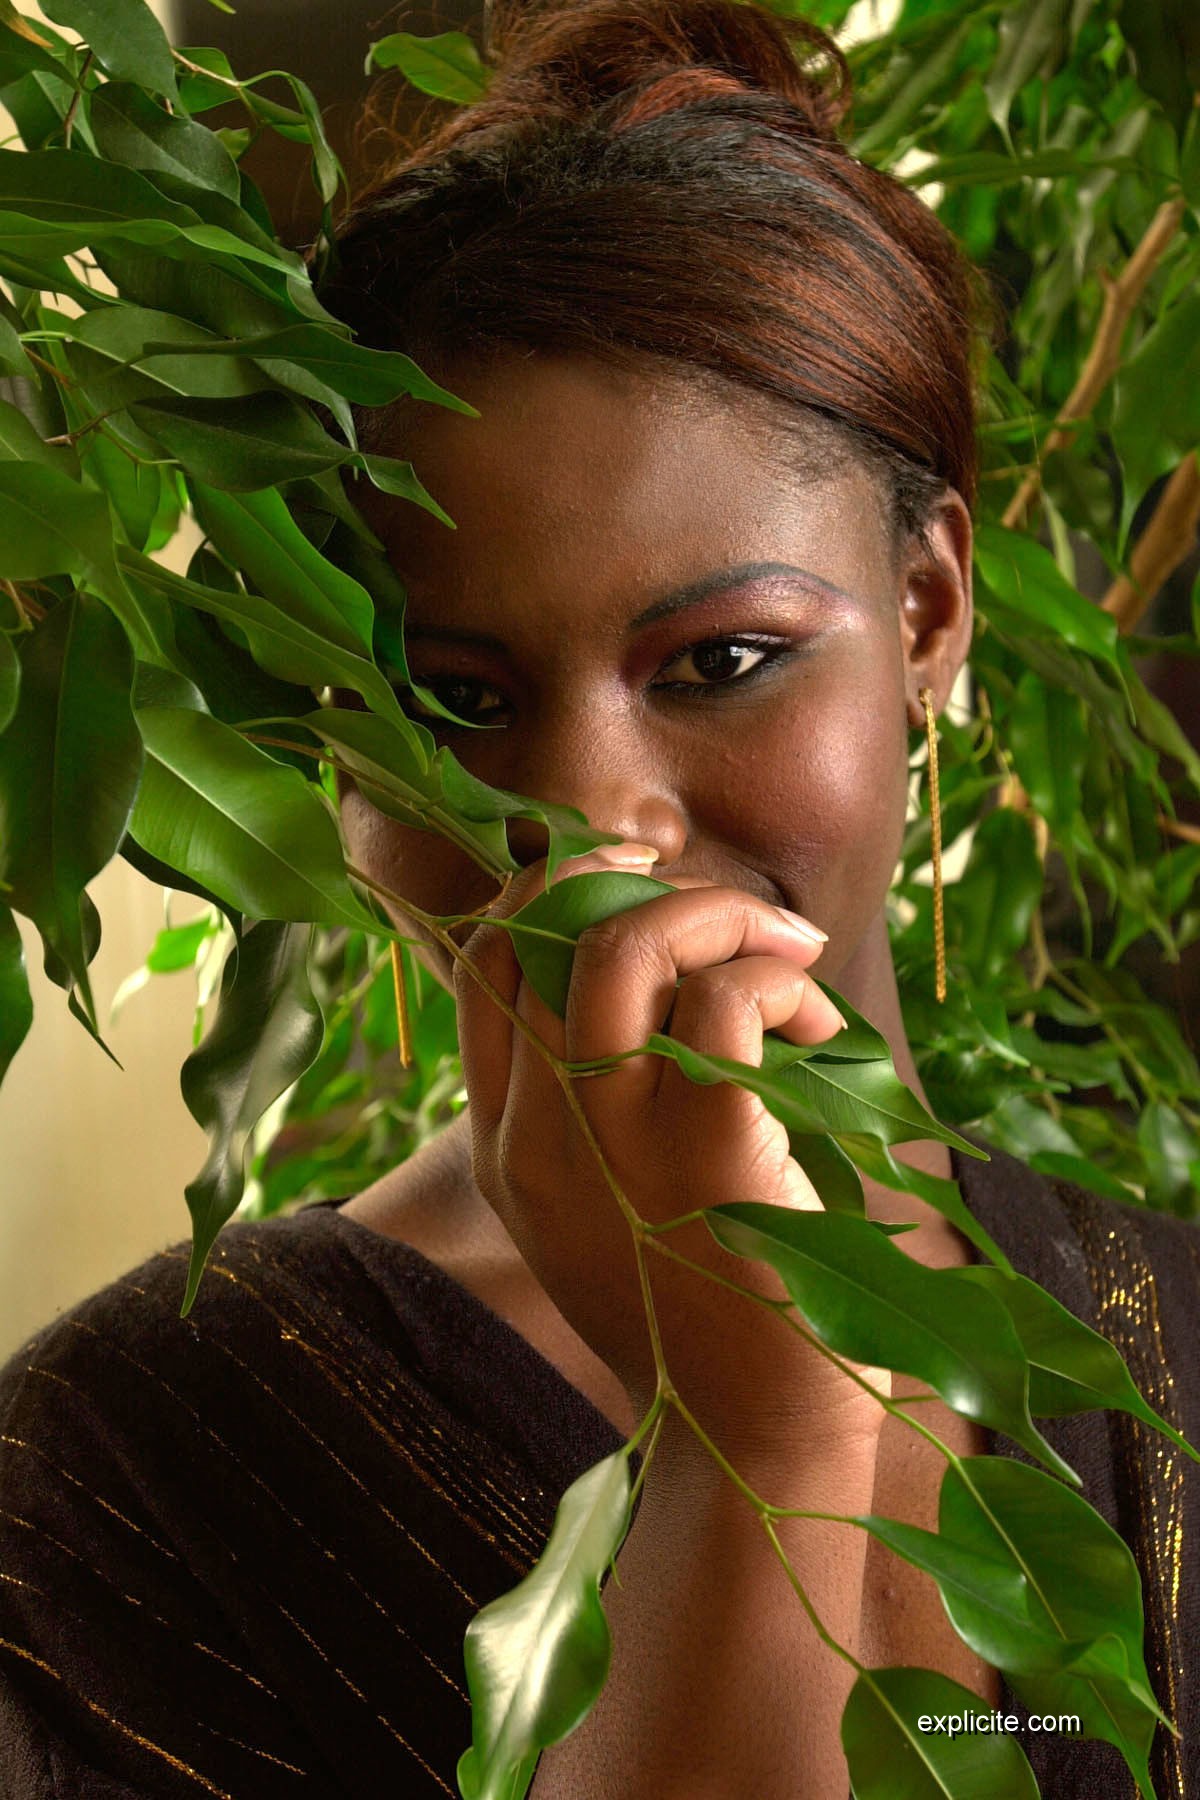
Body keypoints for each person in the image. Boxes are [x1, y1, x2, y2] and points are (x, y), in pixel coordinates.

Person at [1, 1, 1197, 1795]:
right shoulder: (121, 1489)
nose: (585, 832)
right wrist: (754, 1439)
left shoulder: (1170, 1336)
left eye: (722, 661)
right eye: (453, 699)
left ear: (930, 616)